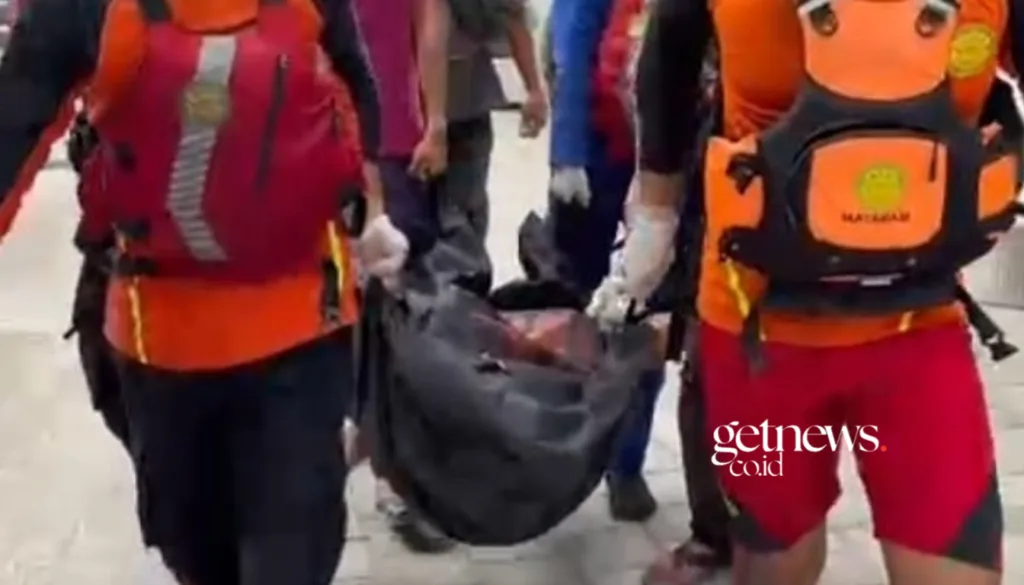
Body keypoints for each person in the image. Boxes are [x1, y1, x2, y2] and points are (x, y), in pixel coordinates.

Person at [599, 0, 1023, 583]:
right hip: (758, 337)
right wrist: (655, 214)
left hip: (918, 331)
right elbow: (668, 54)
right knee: (773, 560)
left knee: (953, 564)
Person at [0, 0, 408, 584]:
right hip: (167, 341)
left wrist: (371, 209)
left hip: (294, 327)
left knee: (281, 554)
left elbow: (350, 81)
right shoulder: (84, 12)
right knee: (209, 555)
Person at [547, 0, 662, 522]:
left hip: (665, 166)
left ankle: (627, 462)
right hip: (597, 153)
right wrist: (567, 154)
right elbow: (571, 52)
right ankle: (557, 444)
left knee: (647, 314)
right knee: (571, 305)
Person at [351, 0, 458, 553]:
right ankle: (378, 469)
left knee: (384, 315)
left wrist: (435, 122)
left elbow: (431, 22)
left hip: (377, 141)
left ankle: (390, 476)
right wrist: (435, 122)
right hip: (371, 140)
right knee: (386, 318)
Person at [438, 0, 548, 242]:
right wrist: (533, 89)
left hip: (456, 97)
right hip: (456, 96)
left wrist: (534, 89)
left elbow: (512, 13)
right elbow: (512, 13)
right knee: (462, 216)